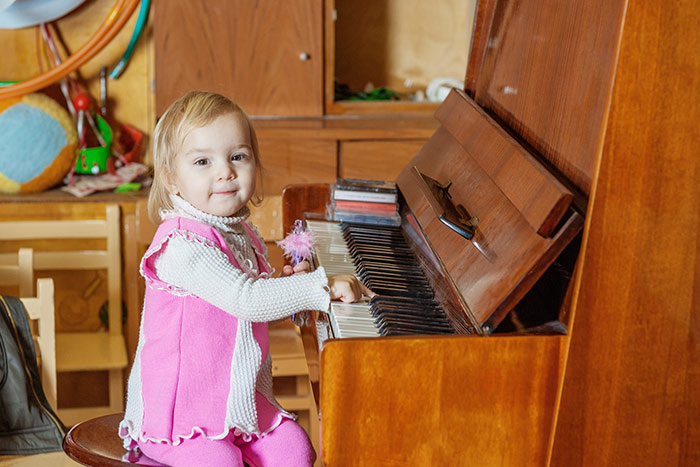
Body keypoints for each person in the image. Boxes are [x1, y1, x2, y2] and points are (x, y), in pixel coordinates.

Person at [119, 90, 370, 467]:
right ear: (171, 179)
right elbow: (247, 300)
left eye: (238, 156)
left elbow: (253, 310)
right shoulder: (181, 244)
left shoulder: (239, 232)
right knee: (220, 463)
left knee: (295, 451)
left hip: (236, 399)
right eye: (202, 161)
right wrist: (319, 286)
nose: (225, 171)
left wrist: (292, 291)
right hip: (180, 412)